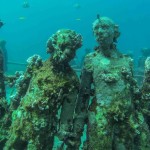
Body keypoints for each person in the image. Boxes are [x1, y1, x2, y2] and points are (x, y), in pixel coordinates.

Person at [72, 17, 150, 149]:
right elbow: (83, 94)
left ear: (115, 32)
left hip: (126, 118)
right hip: (99, 118)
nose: (99, 31)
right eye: (96, 28)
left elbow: (131, 92)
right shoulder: (90, 60)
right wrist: (77, 127)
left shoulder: (126, 61)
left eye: (104, 27)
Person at [4, 29, 82, 150]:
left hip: (43, 131)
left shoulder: (71, 79)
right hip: (20, 122)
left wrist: (63, 133)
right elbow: (23, 92)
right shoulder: (37, 65)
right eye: (66, 46)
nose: (69, 52)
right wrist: (11, 113)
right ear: (55, 45)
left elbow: (67, 113)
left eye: (73, 49)